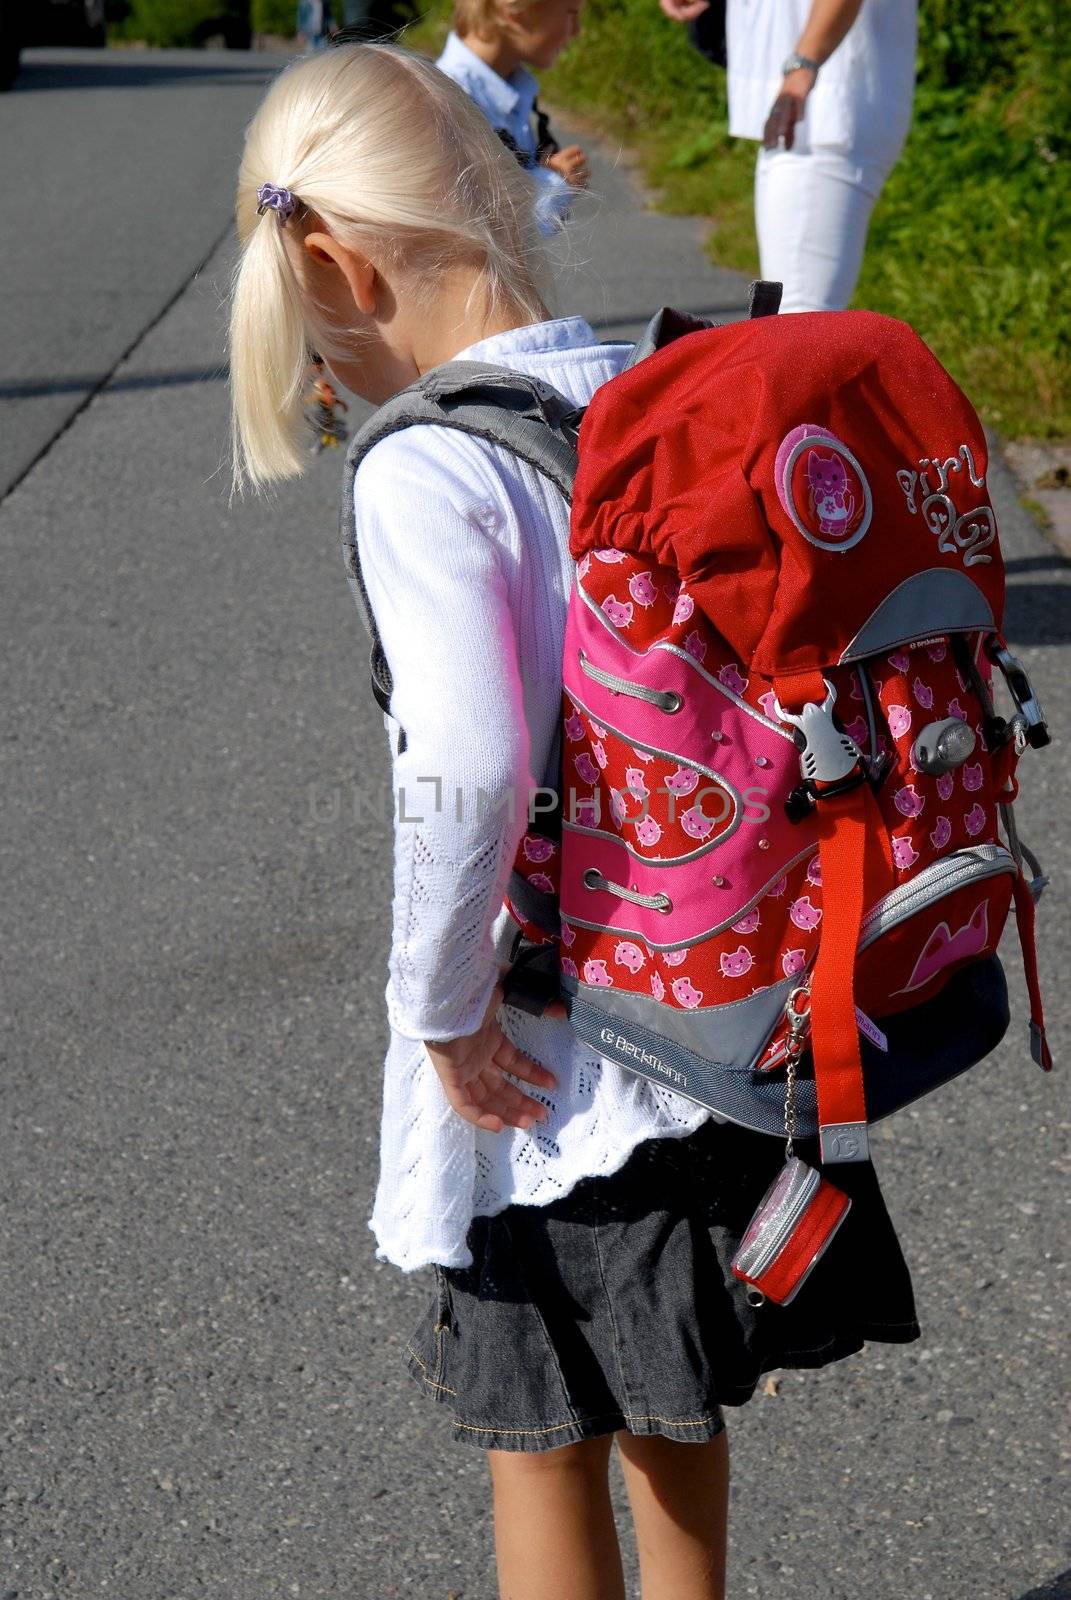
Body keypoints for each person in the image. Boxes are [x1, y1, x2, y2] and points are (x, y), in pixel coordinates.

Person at [229, 43, 919, 1600]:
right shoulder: (628, 380)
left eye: (312, 337)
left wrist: (438, 1010)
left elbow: (465, 760)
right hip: (709, 1014)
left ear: (336, 265)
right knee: (673, 1405)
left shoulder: (423, 465)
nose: (330, 382)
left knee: (539, 1440)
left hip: (547, 1062)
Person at [660, 0, 917, 312]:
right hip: (808, 106)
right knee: (796, 321)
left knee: (800, 322)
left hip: (823, 108)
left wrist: (803, 67)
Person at [436, 0, 590, 236]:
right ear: (515, 11)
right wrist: (553, 182)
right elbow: (478, 228)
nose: (577, 30)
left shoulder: (505, 86)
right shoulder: (448, 102)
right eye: (570, 14)